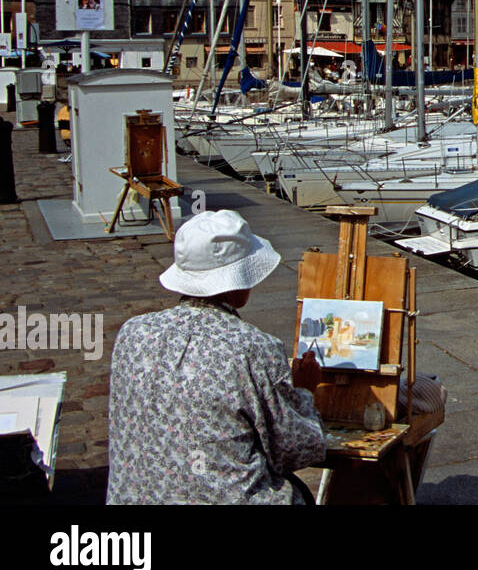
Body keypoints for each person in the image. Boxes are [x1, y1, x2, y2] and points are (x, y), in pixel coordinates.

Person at [107, 210, 325, 504]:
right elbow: (296, 448)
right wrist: (303, 392)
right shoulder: (252, 347)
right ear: (236, 283)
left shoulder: (133, 333)